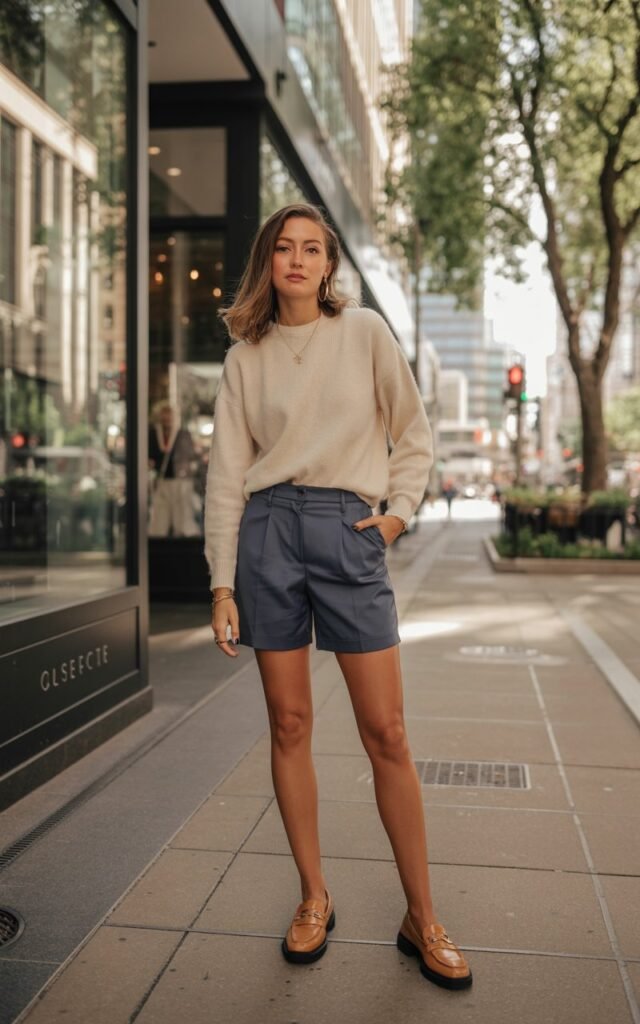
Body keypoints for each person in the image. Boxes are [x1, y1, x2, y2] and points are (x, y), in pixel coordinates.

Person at [204, 203, 472, 990]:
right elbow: (225, 479)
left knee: (385, 730)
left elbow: (414, 433)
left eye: (311, 249)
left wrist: (394, 519)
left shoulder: (365, 335)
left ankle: (422, 915)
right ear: (269, 262)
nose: (296, 259)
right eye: (283, 248)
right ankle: (313, 896)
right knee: (289, 724)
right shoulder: (244, 358)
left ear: (329, 266)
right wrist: (223, 582)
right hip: (269, 536)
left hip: (347, 529)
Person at [148, 402, 199, 537]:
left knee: (181, 513)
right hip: (162, 479)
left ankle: (182, 535)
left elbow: (190, 455)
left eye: (168, 416)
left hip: (180, 480)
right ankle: (158, 537)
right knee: (160, 513)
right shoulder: (153, 434)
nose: (166, 419)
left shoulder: (182, 434)